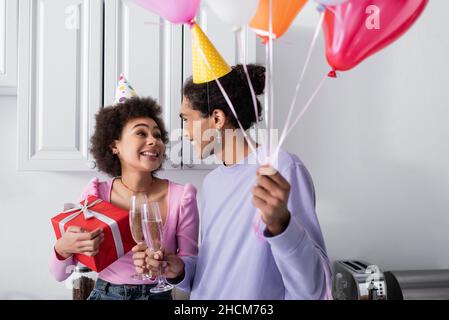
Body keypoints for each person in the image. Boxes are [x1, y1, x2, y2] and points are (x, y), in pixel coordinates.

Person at [133, 64, 333, 299]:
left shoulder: (281, 168)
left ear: (217, 118)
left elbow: (317, 286)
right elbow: (212, 271)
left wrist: (282, 226)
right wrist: (179, 270)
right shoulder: (211, 183)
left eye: (186, 119)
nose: (185, 133)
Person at [49, 80, 199, 300]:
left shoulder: (182, 197)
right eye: (141, 133)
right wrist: (63, 248)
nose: (153, 141)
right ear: (114, 145)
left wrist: (174, 267)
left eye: (157, 135)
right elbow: (58, 274)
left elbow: (191, 276)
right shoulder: (95, 194)